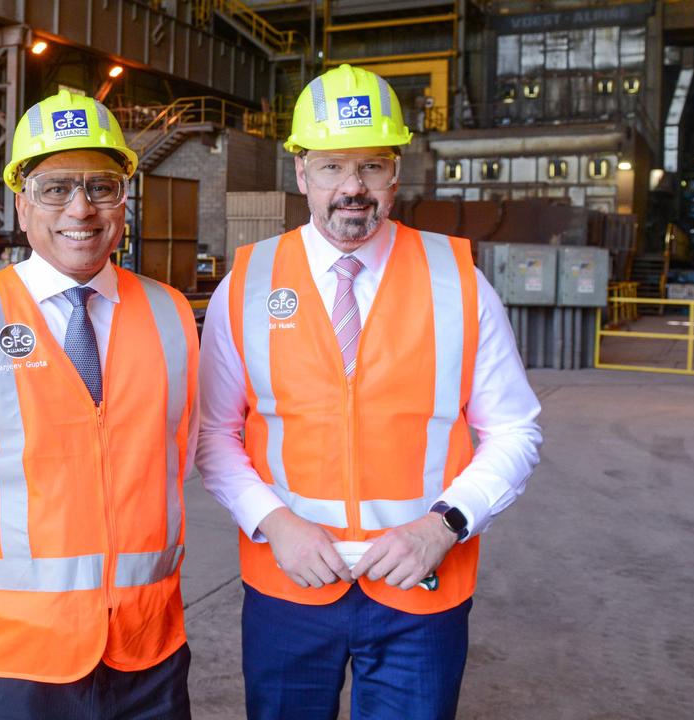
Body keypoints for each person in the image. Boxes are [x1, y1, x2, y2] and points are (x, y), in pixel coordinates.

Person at [197, 64, 543, 720]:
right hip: (289, 583)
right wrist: (278, 526)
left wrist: (443, 526)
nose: (352, 187)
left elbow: (515, 429)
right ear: (301, 173)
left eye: (372, 166)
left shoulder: (459, 281)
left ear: (396, 173)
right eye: (331, 167)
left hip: (421, 585)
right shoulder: (246, 284)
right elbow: (214, 432)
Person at [0, 90, 198, 719]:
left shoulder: (172, 315)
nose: (81, 209)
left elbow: (176, 458)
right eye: (56, 187)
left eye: (103, 187)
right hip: (13, 659)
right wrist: (14, 545)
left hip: (147, 650)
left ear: (124, 203)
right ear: (22, 204)